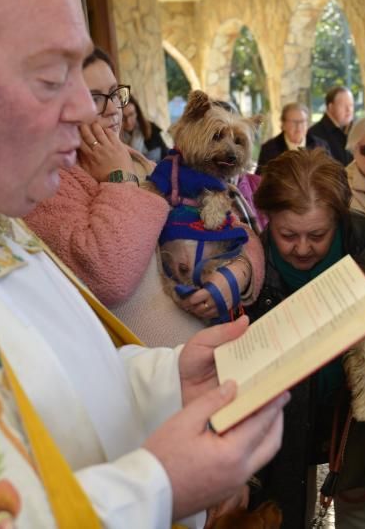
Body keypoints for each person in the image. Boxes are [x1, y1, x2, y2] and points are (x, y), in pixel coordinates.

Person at [0, 0, 286, 527]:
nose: (86, 111)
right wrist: (157, 487)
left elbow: (56, 375)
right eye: (52, 78)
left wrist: (166, 381)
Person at [24, 49, 264, 346]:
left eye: (115, 93)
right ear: (61, 108)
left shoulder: (146, 165)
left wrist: (238, 275)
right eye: (96, 98)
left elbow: (241, 231)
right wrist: (119, 179)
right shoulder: (47, 189)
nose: (115, 110)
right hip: (153, 379)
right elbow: (110, 279)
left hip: (214, 349)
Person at [251, 149, 365, 528]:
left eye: (318, 235)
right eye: (288, 235)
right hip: (287, 421)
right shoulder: (252, 264)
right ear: (268, 217)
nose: (303, 248)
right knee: (288, 508)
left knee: (360, 511)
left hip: (354, 414)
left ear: (339, 221)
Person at [256, 101, 330, 172]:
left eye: (302, 121)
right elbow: (260, 180)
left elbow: (330, 175)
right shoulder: (269, 149)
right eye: (294, 122)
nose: (299, 126)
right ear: (283, 124)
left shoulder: (320, 146)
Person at [308, 86, 355, 164]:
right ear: (330, 107)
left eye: (351, 105)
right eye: (343, 105)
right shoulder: (314, 135)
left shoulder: (357, 131)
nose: (349, 110)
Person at [121, 92, 169, 162]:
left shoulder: (150, 128)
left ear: (137, 113)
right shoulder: (115, 139)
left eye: (131, 114)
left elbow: (165, 154)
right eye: (123, 118)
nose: (128, 121)